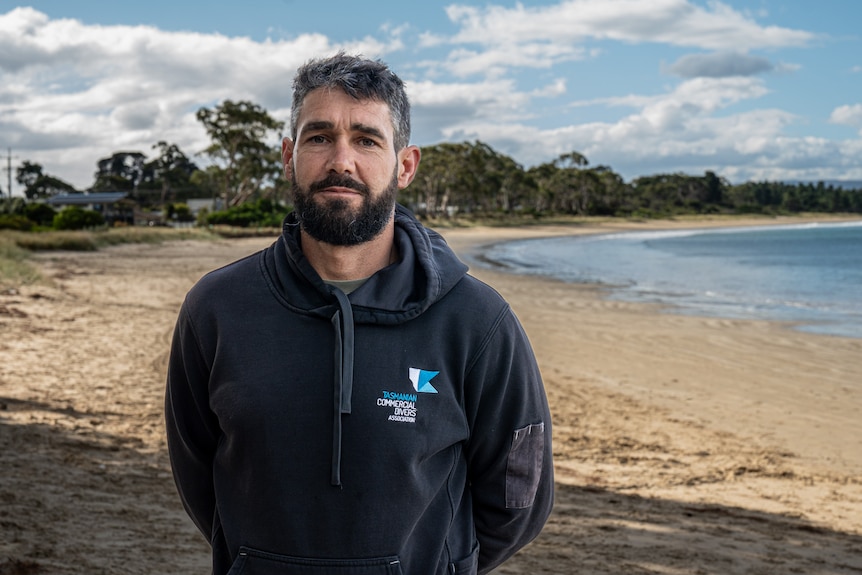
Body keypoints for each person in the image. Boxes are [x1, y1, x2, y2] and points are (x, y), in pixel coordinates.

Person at [165, 52, 554, 575]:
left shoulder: (477, 320)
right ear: (289, 155)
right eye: (319, 137)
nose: (341, 161)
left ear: (405, 165)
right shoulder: (216, 308)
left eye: (367, 140)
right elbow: (198, 476)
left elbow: (519, 495)